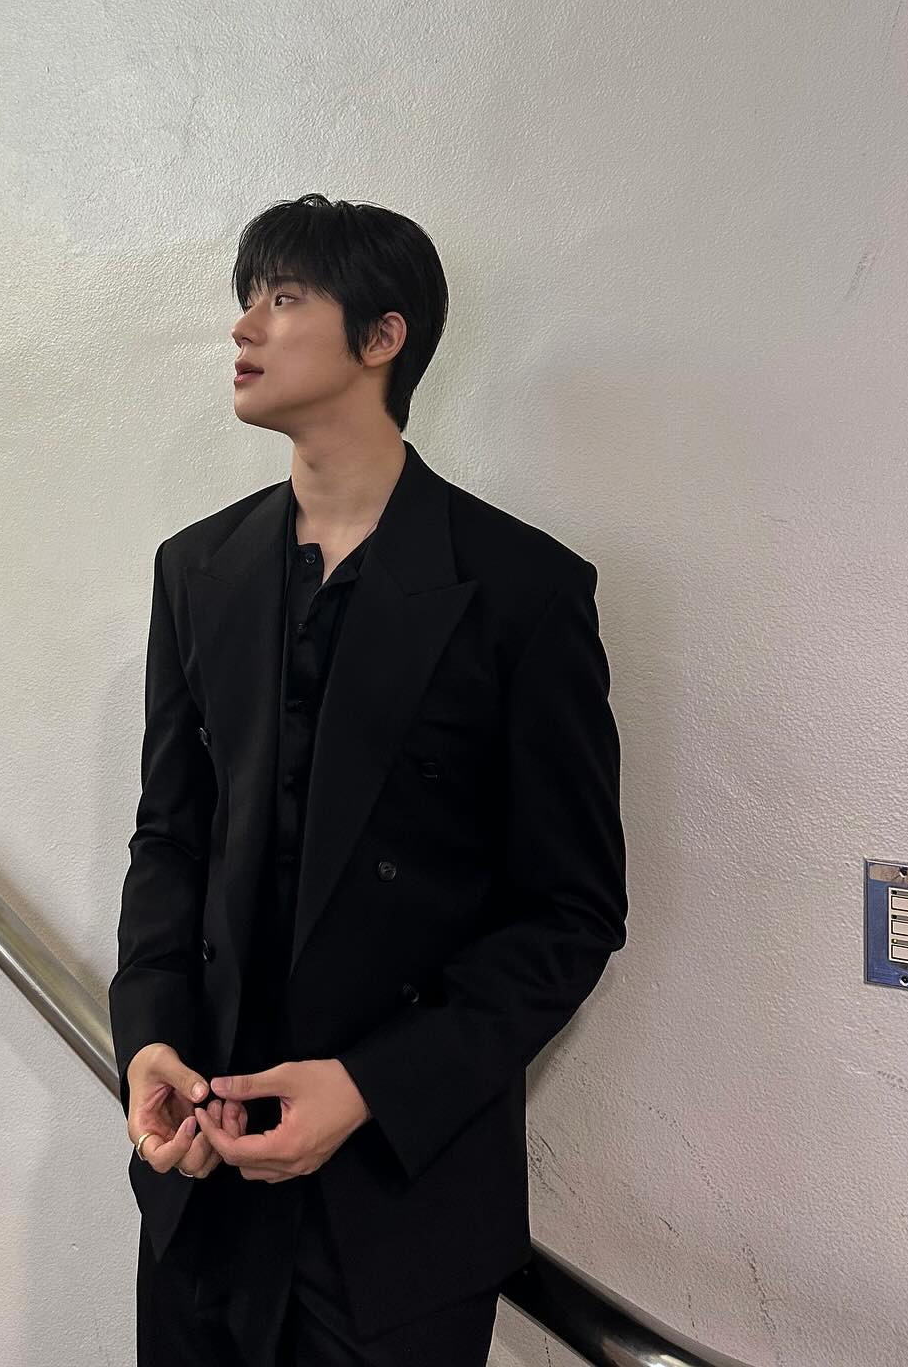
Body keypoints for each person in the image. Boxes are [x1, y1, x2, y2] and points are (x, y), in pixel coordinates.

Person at [109, 193, 627, 1364]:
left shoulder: (524, 590)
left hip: (398, 1208)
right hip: (202, 1181)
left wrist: (370, 1087)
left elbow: (572, 913)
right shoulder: (198, 569)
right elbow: (170, 838)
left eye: (284, 298)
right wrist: (146, 1039)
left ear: (383, 337)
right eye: (247, 299)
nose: (245, 326)